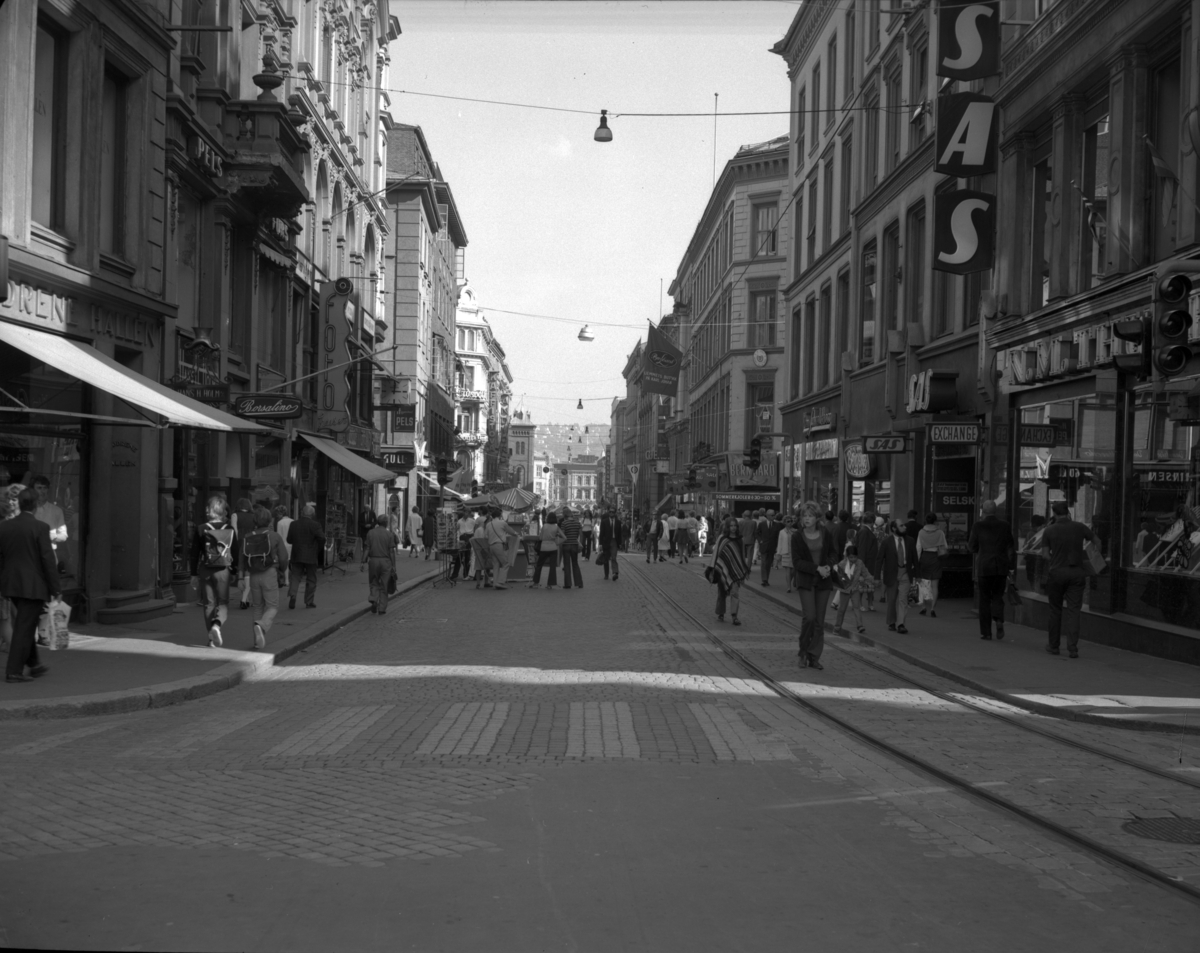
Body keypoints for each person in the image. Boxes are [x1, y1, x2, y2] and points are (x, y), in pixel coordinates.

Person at [1, 487, 59, 682]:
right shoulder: (40, 527)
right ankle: (13, 671)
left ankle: (34, 663)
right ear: (34, 506)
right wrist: (56, 589)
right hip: (33, 587)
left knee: (26, 623)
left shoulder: (5, 527)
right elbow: (47, 561)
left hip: (12, 585)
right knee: (24, 628)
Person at [1040, 500, 1094, 658]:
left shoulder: (1049, 530)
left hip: (1057, 573)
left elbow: (1044, 555)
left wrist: (1056, 560)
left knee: (1055, 610)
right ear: (1068, 512)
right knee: (1074, 611)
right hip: (1077, 573)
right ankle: (1072, 648)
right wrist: (1094, 561)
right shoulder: (1079, 527)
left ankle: (1054, 646)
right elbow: (1096, 541)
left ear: (1054, 514)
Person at [792, 501, 838, 670]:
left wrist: (828, 566)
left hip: (824, 581)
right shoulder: (797, 536)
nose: (807, 519)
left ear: (817, 517)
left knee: (819, 621)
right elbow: (797, 562)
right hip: (806, 580)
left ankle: (814, 655)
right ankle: (803, 652)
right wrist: (817, 568)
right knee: (809, 617)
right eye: (804, 516)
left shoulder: (825, 533)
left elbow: (834, 552)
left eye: (810, 516)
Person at [239, 504, 289, 649]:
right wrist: (281, 570)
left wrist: (241, 577)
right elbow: (284, 557)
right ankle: (261, 626)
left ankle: (257, 642)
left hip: (253, 575)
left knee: (257, 607)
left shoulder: (248, 537)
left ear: (255, 521)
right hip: (270, 573)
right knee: (272, 606)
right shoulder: (274, 536)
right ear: (269, 520)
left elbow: (241, 558)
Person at [189, 495, 236, 647]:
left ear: (211, 510)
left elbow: (194, 553)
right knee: (223, 602)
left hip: (205, 569)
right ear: (222, 511)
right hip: (223, 570)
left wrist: (193, 574)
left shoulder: (201, 528)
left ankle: (211, 637)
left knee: (208, 603)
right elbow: (234, 552)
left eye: (208, 507)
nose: (206, 510)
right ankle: (217, 625)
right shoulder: (229, 529)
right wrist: (235, 572)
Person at [967, 500, 1015, 641]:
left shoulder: (978, 526)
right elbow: (1010, 546)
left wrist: (979, 549)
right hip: (1000, 566)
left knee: (985, 599)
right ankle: (999, 619)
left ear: (983, 511)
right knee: (998, 596)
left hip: (984, 567)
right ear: (995, 511)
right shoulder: (1005, 525)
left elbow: (971, 547)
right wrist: (1010, 565)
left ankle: (986, 633)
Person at [876, 519, 916, 634]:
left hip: (905, 573)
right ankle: (891, 622)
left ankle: (901, 624)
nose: (905, 527)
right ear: (894, 528)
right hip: (892, 574)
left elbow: (914, 558)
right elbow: (879, 560)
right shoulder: (886, 542)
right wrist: (877, 577)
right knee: (892, 600)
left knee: (903, 600)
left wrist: (917, 575)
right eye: (902, 525)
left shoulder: (910, 541)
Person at [709, 516, 748, 625]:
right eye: (731, 526)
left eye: (735, 526)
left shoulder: (740, 539)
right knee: (722, 593)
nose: (733, 528)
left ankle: (734, 616)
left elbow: (742, 556)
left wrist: (743, 570)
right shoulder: (722, 538)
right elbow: (716, 553)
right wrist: (712, 569)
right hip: (722, 569)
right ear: (727, 527)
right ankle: (721, 613)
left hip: (736, 571)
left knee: (735, 593)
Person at [286, 503, 325, 610]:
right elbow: (322, 538)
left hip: (297, 554)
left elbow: (289, 540)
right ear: (312, 515)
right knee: (311, 578)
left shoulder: (294, 524)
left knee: (295, 576)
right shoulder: (315, 525)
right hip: (311, 555)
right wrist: (317, 549)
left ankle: (293, 595)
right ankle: (309, 601)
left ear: (302, 513)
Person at [833, 542, 875, 635]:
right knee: (842, 609)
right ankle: (837, 627)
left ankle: (860, 626)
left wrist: (872, 579)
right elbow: (837, 576)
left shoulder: (859, 563)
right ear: (847, 556)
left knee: (857, 607)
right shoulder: (842, 564)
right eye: (851, 557)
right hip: (844, 590)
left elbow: (865, 573)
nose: (853, 559)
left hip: (855, 589)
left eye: (855, 557)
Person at [915, 514, 949, 617]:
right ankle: (933, 608)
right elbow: (945, 546)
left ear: (925, 521)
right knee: (935, 585)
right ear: (935, 521)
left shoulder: (921, 532)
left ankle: (924, 607)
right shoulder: (940, 532)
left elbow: (918, 548)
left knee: (923, 584)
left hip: (925, 557)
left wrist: (916, 562)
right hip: (936, 558)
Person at [365, 513, 399, 614]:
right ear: (386, 523)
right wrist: (393, 565)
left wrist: (363, 561)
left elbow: (367, 548)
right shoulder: (389, 534)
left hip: (373, 560)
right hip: (385, 562)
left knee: (374, 581)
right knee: (384, 585)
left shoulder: (370, 533)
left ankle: (374, 598)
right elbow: (391, 551)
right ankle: (382, 608)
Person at [529, 511, 565, 589]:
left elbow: (540, 538)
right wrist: (557, 542)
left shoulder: (544, 526)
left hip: (544, 547)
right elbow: (564, 537)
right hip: (553, 547)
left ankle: (536, 583)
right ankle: (550, 584)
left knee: (539, 565)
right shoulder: (556, 527)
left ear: (548, 518)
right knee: (552, 567)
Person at [485, 507, 518, 590]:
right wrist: (516, 534)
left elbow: (486, 536)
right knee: (505, 563)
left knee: (495, 565)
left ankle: (495, 583)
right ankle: (500, 582)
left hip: (491, 546)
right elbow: (511, 531)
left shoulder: (488, 524)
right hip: (499, 545)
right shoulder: (502, 523)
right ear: (500, 515)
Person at [854, 513, 881, 612]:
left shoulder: (864, 531)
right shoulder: (865, 532)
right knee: (863, 584)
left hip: (869, 562)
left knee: (868, 584)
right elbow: (862, 550)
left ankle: (869, 603)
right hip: (867, 563)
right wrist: (861, 566)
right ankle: (862, 604)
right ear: (872, 522)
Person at [233, 497, 254, 609]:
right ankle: (245, 599)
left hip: (240, 542)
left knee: (241, 567)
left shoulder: (235, 515)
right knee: (248, 569)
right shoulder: (253, 515)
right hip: (251, 541)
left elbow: (234, 530)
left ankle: (244, 598)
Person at [559, 507, 583, 589]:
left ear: (564, 515)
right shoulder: (577, 523)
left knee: (567, 565)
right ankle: (579, 583)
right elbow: (580, 534)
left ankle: (568, 584)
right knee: (575, 563)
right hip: (574, 545)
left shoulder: (564, 523)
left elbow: (562, 535)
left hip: (566, 545)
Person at [757, 511, 783, 586]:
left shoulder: (777, 525)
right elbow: (757, 533)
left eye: (774, 515)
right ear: (767, 516)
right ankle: (764, 579)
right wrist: (760, 540)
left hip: (772, 547)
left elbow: (779, 535)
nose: (774, 516)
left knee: (768, 564)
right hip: (764, 546)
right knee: (763, 563)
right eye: (772, 515)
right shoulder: (762, 524)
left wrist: (778, 545)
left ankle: (766, 579)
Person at [470, 511, 494, 588]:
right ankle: (478, 583)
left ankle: (486, 582)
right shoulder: (479, 530)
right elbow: (476, 540)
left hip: (487, 549)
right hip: (480, 550)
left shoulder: (490, 530)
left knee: (487, 566)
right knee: (479, 567)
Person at [450, 508, 475, 581]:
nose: (466, 513)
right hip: (462, 539)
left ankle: (466, 573)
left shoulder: (472, 521)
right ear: (463, 513)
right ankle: (455, 574)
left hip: (469, 538)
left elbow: (474, 530)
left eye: (468, 512)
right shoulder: (459, 521)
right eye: (465, 512)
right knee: (459, 557)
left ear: (469, 513)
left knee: (467, 557)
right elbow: (456, 530)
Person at [273, 505, 294, 590]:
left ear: (281, 513)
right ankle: (290, 580)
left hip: (283, 545)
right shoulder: (292, 521)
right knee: (290, 563)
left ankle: (286, 580)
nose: (277, 515)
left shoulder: (279, 523)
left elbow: (279, 536)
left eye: (277, 513)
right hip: (291, 544)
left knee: (285, 563)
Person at [598, 508, 621, 580]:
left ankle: (615, 572)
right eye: (610, 512)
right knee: (606, 559)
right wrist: (600, 544)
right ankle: (606, 574)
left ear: (615, 513)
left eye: (612, 512)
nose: (611, 513)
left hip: (614, 541)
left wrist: (620, 543)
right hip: (606, 542)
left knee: (613, 557)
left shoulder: (618, 522)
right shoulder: (604, 521)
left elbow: (619, 533)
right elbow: (601, 533)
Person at [778, 514, 797, 592]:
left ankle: (790, 580)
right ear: (784, 523)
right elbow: (780, 543)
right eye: (788, 521)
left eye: (791, 521)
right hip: (785, 552)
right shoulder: (782, 532)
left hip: (794, 553)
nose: (790, 523)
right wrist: (778, 553)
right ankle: (788, 587)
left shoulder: (795, 531)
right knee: (787, 570)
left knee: (793, 570)